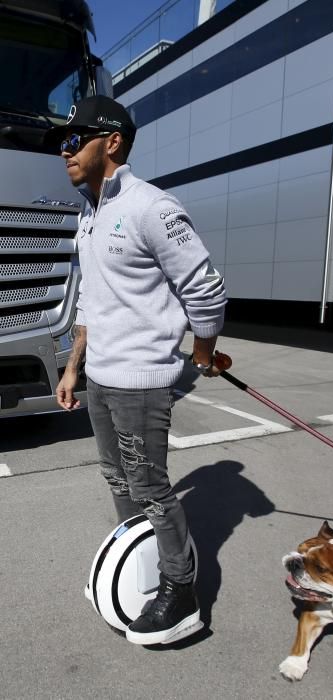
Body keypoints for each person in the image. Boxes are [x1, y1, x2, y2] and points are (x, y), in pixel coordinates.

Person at [49, 95, 227, 646]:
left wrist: (203, 351)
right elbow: (91, 304)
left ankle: (181, 593)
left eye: (77, 139)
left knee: (150, 488)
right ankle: (134, 563)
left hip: (141, 383)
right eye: (65, 141)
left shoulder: (153, 207)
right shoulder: (90, 210)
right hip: (100, 377)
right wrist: (73, 369)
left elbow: (206, 288)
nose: (66, 149)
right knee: (117, 478)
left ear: (114, 142)